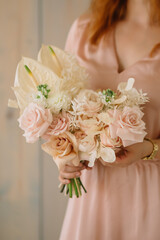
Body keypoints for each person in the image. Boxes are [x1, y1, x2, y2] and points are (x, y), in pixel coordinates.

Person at [59, 0, 160, 239]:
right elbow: (62, 109)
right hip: (92, 198)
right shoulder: (85, 30)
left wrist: (148, 149)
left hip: (152, 198)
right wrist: (64, 159)